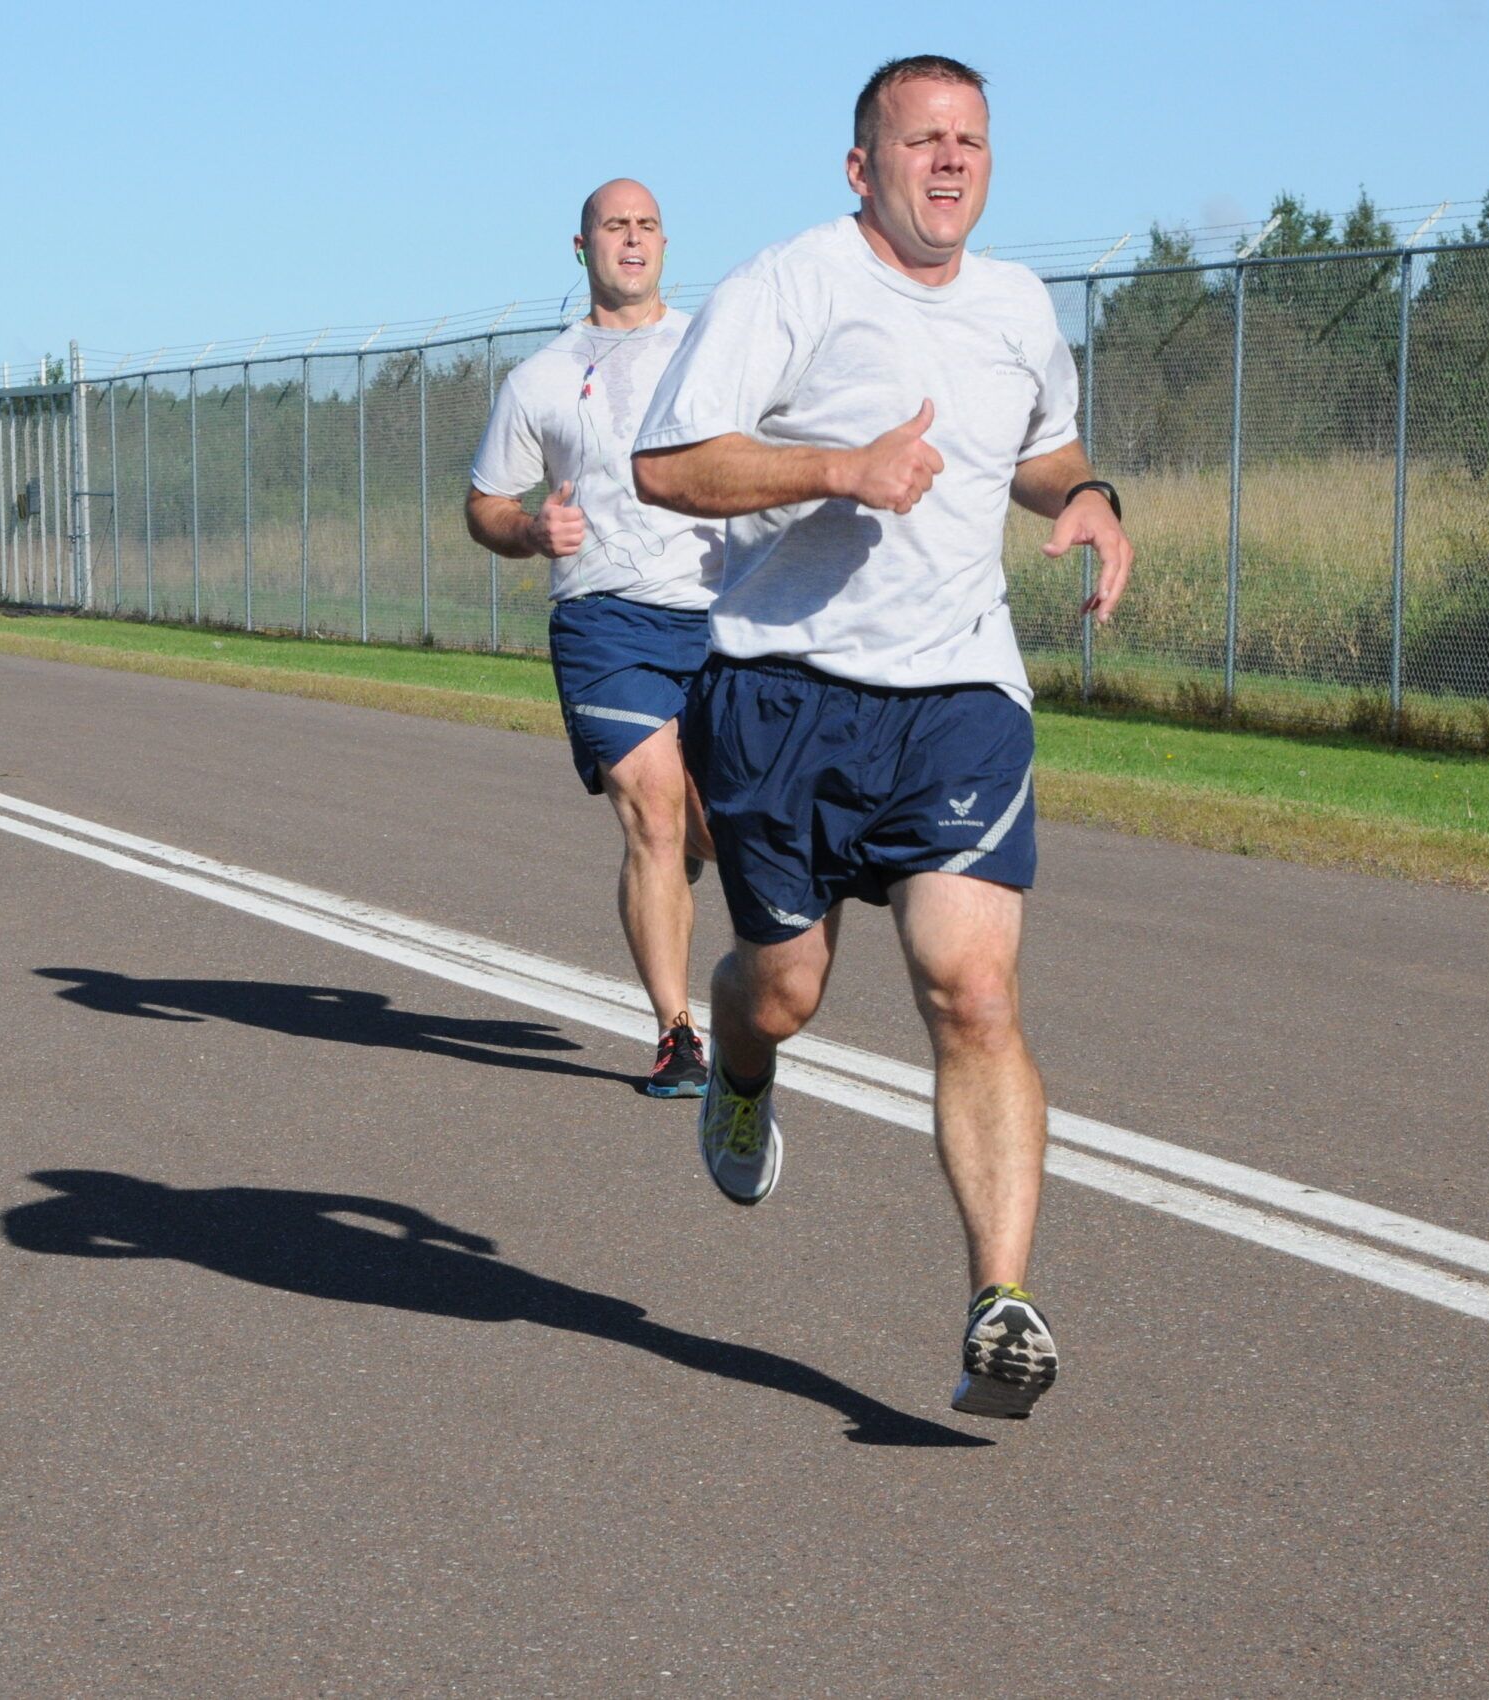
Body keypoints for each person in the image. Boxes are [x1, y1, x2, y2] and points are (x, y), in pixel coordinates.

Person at [632, 54, 1137, 1420]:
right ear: (864, 166)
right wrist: (839, 467)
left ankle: (1000, 1305)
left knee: (971, 990)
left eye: (970, 139)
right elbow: (668, 465)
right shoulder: (790, 286)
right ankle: (741, 1065)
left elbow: (1035, 443)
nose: (950, 160)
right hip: (783, 696)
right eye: (921, 140)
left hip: (958, 697)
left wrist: (1080, 495)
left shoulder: (1019, 304)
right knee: (785, 987)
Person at [465, 179, 725, 1097]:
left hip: (719, 614)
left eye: (648, 224)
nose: (633, 239)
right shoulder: (538, 377)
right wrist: (531, 531)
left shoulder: (713, 349)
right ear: (581, 247)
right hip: (604, 621)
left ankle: (684, 870)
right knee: (653, 815)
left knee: (711, 827)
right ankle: (677, 1033)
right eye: (614, 226)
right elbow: (485, 504)